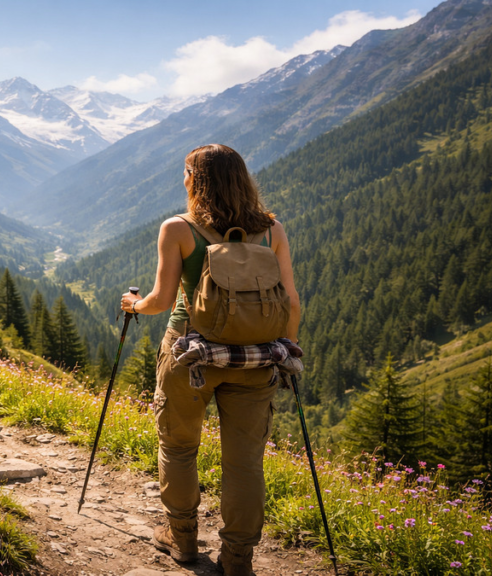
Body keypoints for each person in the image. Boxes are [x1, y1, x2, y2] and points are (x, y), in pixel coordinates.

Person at [120, 144, 300, 576]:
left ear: (194, 180)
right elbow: (290, 300)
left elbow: (162, 301)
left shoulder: (179, 228)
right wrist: (286, 350)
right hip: (256, 357)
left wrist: (133, 304)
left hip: (190, 353)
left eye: (185, 172)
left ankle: (181, 540)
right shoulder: (272, 230)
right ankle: (238, 558)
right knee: (245, 460)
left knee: (179, 447)